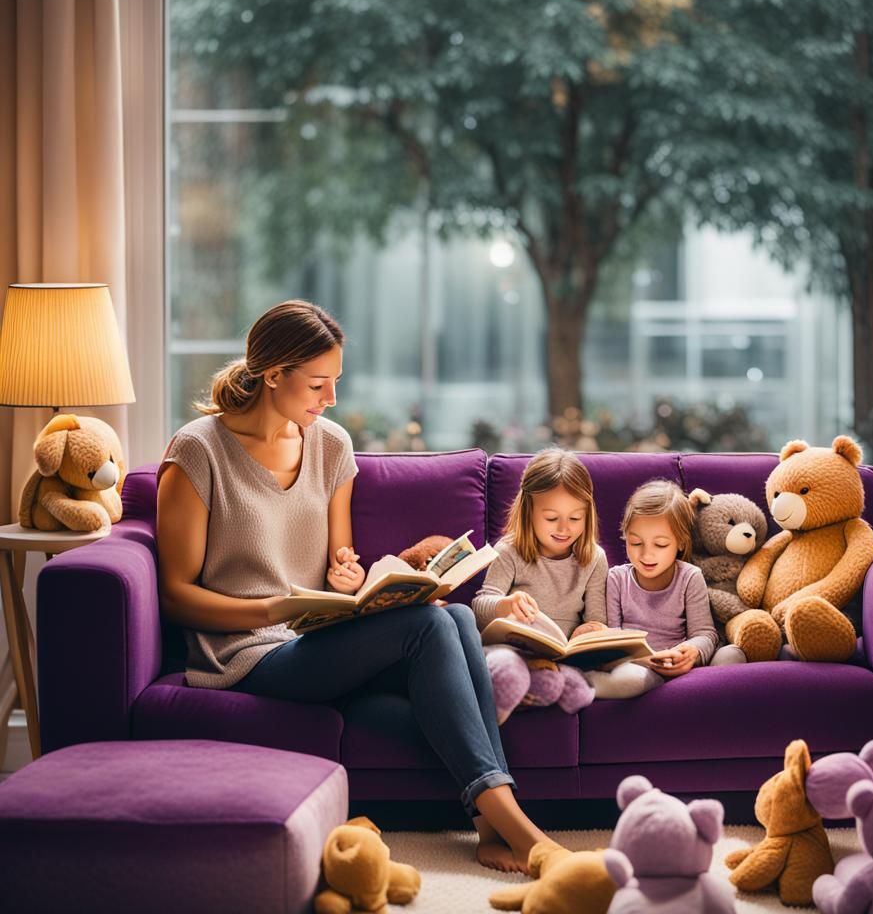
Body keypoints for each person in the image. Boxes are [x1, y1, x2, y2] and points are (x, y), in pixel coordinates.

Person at [156, 299, 552, 873]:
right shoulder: (199, 451)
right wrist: (271, 606)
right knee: (429, 627)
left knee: (457, 617)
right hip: (246, 654)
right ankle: (516, 829)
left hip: (319, 637)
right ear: (273, 375)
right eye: (318, 384)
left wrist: (351, 577)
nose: (331, 399)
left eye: (334, 382)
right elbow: (175, 593)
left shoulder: (330, 446)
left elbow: (341, 563)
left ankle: (494, 825)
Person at [586, 479, 745, 700]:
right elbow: (612, 640)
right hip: (639, 667)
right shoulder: (616, 578)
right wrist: (644, 660)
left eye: (660, 545)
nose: (646, 555)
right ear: (625, 537)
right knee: (628, 679)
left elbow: (705, 634)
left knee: (732, 655)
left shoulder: (690, 576)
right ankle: (586, 685)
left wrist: (692, 652)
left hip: (685, 664)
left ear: (680, 542)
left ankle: (707, 701)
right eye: (635, 543)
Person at [472, 448, 609, 639]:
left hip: (565, 654)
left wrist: (591, 630)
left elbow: (597, 619)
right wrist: (505, 605)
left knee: (585, 670)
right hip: (514, 648)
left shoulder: (595, 558)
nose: (564, 529)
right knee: (503, 661)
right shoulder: (509, 550)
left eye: (575, 518)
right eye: (552, 518)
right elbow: (480, 608)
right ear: (528, 512)